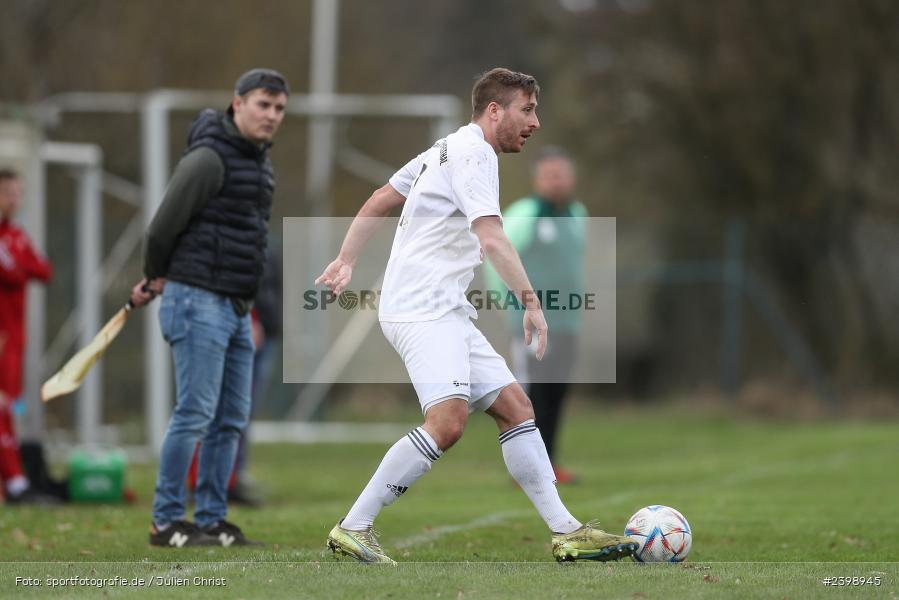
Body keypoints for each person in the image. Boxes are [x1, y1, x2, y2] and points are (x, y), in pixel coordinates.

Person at [316, 68, 636, 564]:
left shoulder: (446, 147)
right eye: (527, 110)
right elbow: (491, 238)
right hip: (422, 308)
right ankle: (354, 526)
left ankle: (566, 531)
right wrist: (530, 301)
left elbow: (382, 198)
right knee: (447, 422)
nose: (536, 122)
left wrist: (346, 259)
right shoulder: (475, 154)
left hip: (442, 307)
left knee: (516, 408)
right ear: (494, 110)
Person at [129, 68, 289, 547]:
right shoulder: (207, 159)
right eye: (263, 104)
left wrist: (249, 308)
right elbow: (161, 229)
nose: (272, 115)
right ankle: (167, 521)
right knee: (194, 414)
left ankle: (213, 519)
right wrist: (156, 274)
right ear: (236, 103)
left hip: (237, 308)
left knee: (230, 419)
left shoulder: (260, 164)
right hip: (196, 299)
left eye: (279, 108)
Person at [485, 148, 587, 484]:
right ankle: (527, 470)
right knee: (532, 396)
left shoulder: (577, 215)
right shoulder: (524, 214)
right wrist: (510, 309)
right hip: (531, 324)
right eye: (549, 175)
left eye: (562, 174)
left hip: (567, 323)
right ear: (537, 178)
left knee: (556, 395)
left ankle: (549, 464)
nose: (556, 181)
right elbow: (495, 260)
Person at [0, 168, 58, 504]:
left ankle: (16, 480)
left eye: (17, 193)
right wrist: (18, 268)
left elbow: (42, 269)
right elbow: (14, 270)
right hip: (3, 339)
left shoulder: (16, 236)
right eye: (8, 193)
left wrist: (18, 266)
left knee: (10, 407)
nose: (14, 200)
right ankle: (17, 483)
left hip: (14, 338)